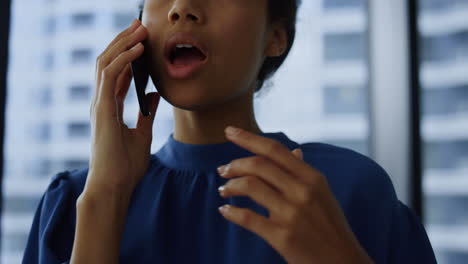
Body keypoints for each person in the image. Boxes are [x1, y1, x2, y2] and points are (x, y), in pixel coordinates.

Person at [22, 0, 437, 263]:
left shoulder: (346, 190)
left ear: (275, 37)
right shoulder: (73, 202)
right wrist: (105, 198)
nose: (182, 8)